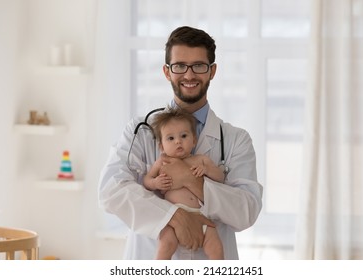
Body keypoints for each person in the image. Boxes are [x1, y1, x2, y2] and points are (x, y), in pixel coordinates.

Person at [98, 26, 263, 260]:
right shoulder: (141, 130)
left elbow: (247, 211)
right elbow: (111, 191)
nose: (189, 75)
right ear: (167, 72)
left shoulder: (236, 139)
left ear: (212, 71)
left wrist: (191, 179)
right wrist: (174, 216)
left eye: (198, 65)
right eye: (179, 66)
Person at [143, 107, 224, 259]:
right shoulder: (162, 162)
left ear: (194, 140)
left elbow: (220, 177)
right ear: (161, 146)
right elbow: (146, 180)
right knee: (166, 245)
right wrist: (155, 183)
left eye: (184, 136)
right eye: (171, 138)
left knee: (216, 247)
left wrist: (206, 169)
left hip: (200, 214)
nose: (178, 141)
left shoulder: (199, 160)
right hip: (172, 216)